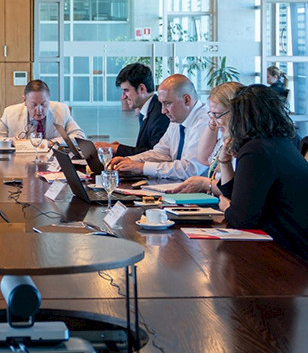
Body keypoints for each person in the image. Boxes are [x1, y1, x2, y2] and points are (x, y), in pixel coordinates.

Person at [218, 84, 308, 260]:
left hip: (287, 252)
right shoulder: (278, 143)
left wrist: (226, 207)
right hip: (294, 244)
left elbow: (242, 219)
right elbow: (240, 199)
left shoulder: (256, 151)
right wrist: (224, 161)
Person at [110, 74, 209, 180]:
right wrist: (130, 161)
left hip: (201, 194)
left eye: (167, 103)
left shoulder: (205, 122)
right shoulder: (177, 120)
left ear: (186, 100)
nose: (163, 111)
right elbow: (161, 153)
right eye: (162, 104)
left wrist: (143, 167)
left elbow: (189, 169)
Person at [170, 81, 243, 195]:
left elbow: (234, 188)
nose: (214, 119)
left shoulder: (244, 144)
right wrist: (214, 123)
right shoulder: (225, 138)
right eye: (211, 114)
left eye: (217, 114)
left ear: (235, 113)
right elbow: (203, 158)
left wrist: (205, 184)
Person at [95, 63, 169, 156]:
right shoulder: (149, 110)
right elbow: (144, 150)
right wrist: (118, 148)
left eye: (126, 90)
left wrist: (118, 149)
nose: (123, 97)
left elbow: (155, 155)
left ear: (142, 88)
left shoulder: (160, 114)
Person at [0, 79, 85, 143]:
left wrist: (52, 142)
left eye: (43, 104)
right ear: (25, 101)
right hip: (20, 162)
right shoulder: (10, 112)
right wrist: (10, 141)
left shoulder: (62, 110)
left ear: (49, 98)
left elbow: (79, 137)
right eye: (34, 104)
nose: (39, 110)